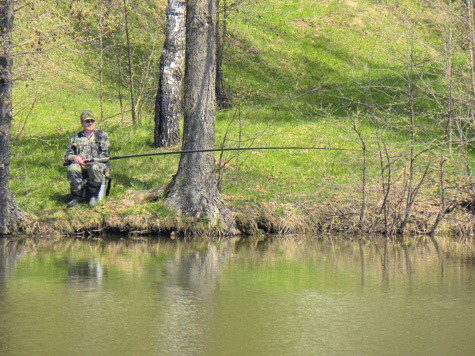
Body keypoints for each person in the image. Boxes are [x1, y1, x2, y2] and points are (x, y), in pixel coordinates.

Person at [64, 110, 111, 208]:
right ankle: (77, 197)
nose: (90, 123)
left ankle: (93, 196)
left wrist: (93, 160)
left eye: (92, 121)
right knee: (73, 168)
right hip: (81, 165)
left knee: (94, 167)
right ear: (82, 123)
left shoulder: (101, 135)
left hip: (97, 165)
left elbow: (105, 155)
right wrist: (75, 158)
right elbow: (67, 156)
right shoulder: (75, 137)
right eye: (87, 121)